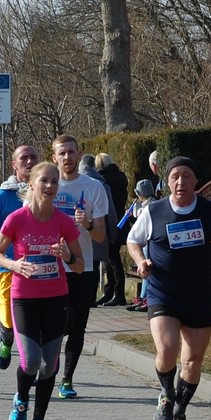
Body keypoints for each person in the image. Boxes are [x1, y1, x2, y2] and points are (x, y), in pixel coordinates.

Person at [127, 156, 211, 420]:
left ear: (196, 181)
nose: (181, 182)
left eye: (186, 176)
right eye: (175, 176)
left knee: (193, 360)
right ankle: (166, 393)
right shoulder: (154, 210)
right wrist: (140, 261)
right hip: (163, 291)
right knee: (167, 349)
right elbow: (133, 240)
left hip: (199, 294)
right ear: (167, 181)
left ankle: (179, 411)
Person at [0, 162, 84, 420]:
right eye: (44, 180)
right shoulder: (17, 219)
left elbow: (80, 266)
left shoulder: (64, 221)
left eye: (55, 181)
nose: (50, 186)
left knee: (49, 365)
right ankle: (21, 400)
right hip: (24, 299)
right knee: (31, 361)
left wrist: (67, 256)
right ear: (31, 184)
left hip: (56, 298)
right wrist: (13, 265)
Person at [51, 134, 109, 399]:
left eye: (71, 152)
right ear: (54, 157)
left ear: (79, 153)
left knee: (77, 326)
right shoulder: (47, 183)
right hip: (50, 267)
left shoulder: (93, 187)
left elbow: (101, 235)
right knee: (55, 325)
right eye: (62, 153)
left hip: (82, 267)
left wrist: (87, 224)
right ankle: (48, 367)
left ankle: (67, 379)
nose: (67, 157)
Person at [0, 144, 38, 369]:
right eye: (24, 158)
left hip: (36, 269)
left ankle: (28, 365)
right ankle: (6, 338)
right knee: (9, 316)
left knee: (31, 322)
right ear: (14, 164)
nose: (29, 161)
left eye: (33, 157)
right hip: (5, 268)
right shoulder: (2, 195)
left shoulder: (45, 193)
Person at [79, 153, 118, 308]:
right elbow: (111, 213)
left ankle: (83, 298)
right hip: (99, 231)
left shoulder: (76, 183)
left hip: (80, 233)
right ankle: (91, 298)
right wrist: (112, 234)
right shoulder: (102, 185)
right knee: (93, 265)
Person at [96, 152, 130, 306]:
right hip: (120, 221)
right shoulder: (121, 179)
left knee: (112, 260)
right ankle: (110, 291)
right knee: (111, 258)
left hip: (109, 222)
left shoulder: (103, 181)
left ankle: (117, 293)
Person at [125, 179, 157, 311]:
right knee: (144, 269)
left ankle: (146, 298)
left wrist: (132, 218)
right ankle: (143, 296)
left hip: (149, 242)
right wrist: (131, 218)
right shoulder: (147, 204)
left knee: (146, 269)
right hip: (145, 242)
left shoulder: (151, 206)